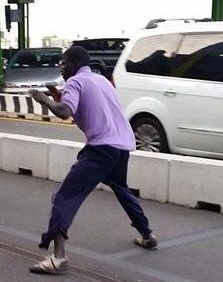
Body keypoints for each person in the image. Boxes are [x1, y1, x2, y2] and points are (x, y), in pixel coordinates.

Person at [28, 45, 157, 274]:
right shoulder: (101, 81)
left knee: (64, 196)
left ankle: (58, 258)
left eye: (64, 63)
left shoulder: (75, 82)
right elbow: (86, 112)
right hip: (122, 146)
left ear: (75, 65)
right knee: (120, 188)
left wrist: (44, 100)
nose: (61, 66)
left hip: (101, 149)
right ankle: (147, 234)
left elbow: (65, 112)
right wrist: (58, 98)